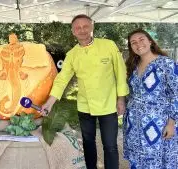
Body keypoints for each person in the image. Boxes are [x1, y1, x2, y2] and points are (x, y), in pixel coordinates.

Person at [41, 14, 129, 169]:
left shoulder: (108, 45)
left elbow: (120, 73)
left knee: (110, 145)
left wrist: (121, 99)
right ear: (73, 31)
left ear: (92, 27)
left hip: (108, 104)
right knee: (88, 143)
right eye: (77, 27)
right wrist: (49, 103)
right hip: (84, 105)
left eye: (85, 26)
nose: (82, 30)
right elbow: (62, 80)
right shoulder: (72, 54)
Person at [124, 29, 178, 168]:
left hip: (157, 123)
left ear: (150, 41)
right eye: (133, 42)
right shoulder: (132, 66)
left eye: (141, 39)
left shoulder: (167, 64)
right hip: (134, 123)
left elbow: (176, 94)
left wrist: (171, 123)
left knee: (156, 159)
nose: (138, 44)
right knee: (137, 158)